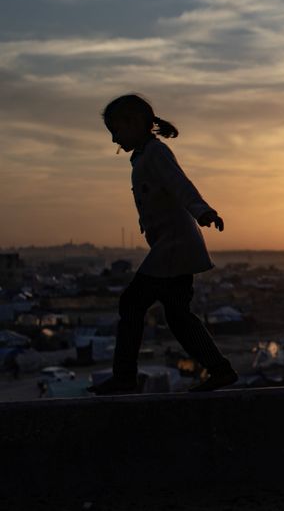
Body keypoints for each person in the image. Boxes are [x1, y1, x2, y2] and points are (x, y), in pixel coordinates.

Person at [89, 95, 236, 395]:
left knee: (132, 303)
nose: (114, 138)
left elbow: (179, 183)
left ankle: (125, 377)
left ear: (134, 123)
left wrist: (202, 210)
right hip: (172, 249)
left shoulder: (156, 153)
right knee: (178, 315)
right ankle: (220, 370)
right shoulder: (144, 155)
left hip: (173, 249)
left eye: (116, 130)